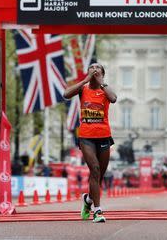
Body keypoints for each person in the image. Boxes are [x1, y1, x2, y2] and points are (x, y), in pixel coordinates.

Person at [63, 63, 117, 223]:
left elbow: (113, 98)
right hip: (86, 137)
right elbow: (66, 94)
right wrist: (85, 79)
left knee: (99, 175)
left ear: (102, 73)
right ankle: (97, 211)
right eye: (91, 67)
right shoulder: (83, 89)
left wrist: (101, 82)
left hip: (104, 136)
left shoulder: (105, 90)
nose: (94, 68)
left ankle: (87, 200)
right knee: (94, 169)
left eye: (98, 67)